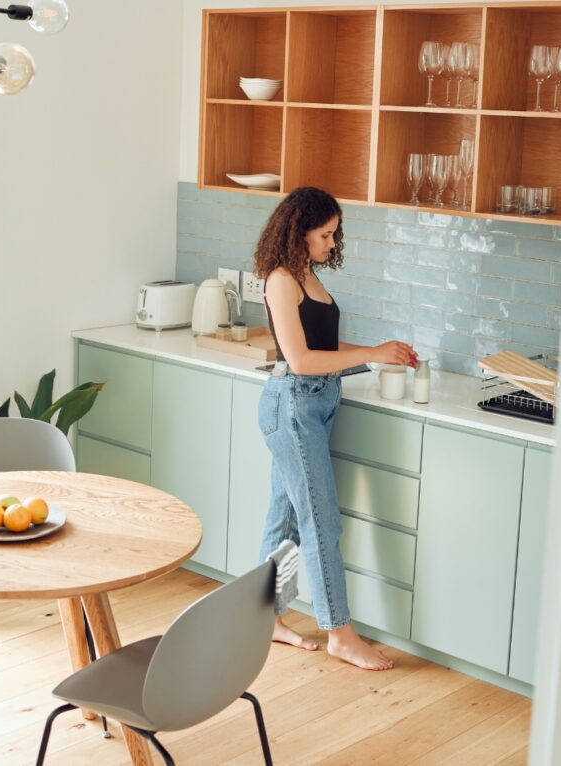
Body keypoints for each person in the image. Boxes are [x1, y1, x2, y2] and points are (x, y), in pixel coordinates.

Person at [254, 187, 417, 671]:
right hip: (293, 407)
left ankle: (264, 619)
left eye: (334, 233)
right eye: (325, 233)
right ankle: (339, 633)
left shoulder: (307, 274)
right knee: (321, 522)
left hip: (318, 404)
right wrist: (371, 355)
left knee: (284, 520)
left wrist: (377, 349)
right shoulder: (281, 279)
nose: (332, 242)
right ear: (299, 230)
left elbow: (320, 341)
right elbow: (300, 359)